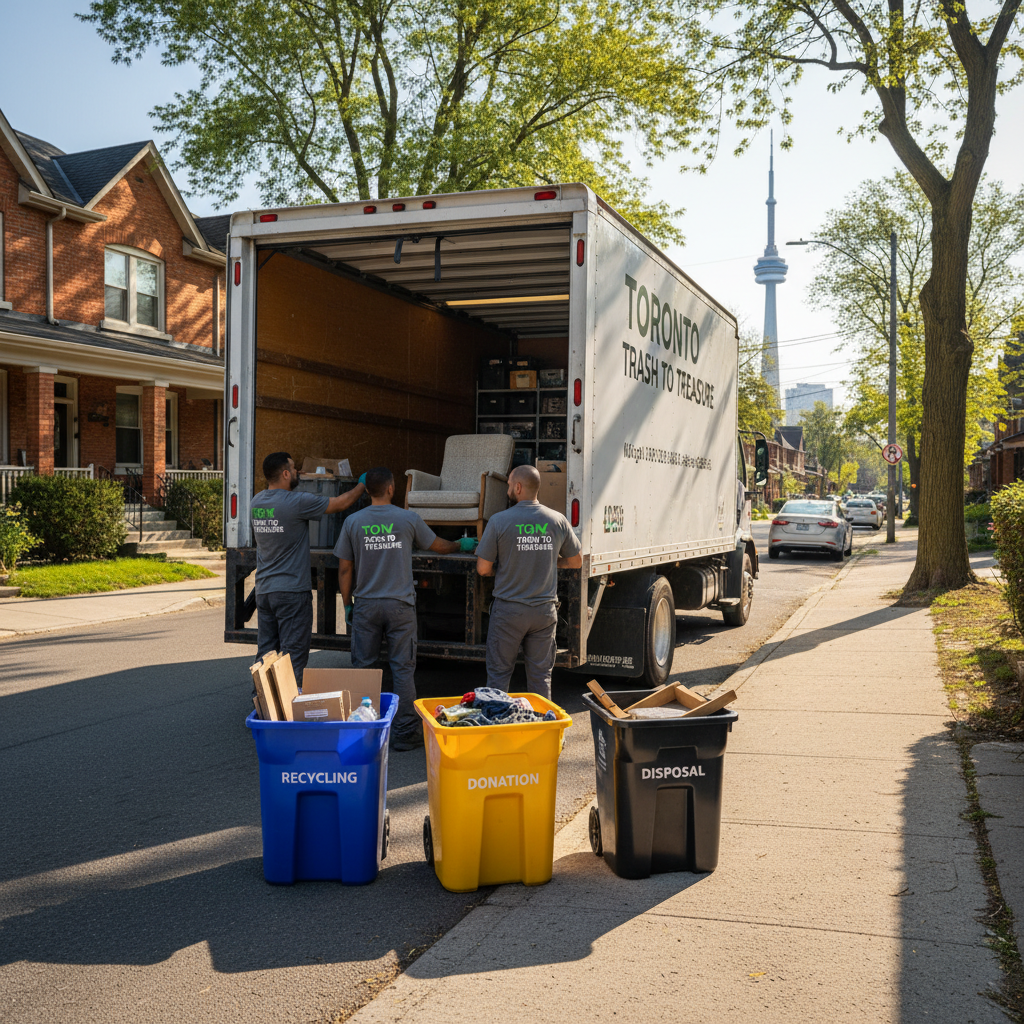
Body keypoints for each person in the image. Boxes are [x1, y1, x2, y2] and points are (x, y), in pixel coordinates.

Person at [336, 466, 477, 751]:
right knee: (402, 670)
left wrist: (347, 604)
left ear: (368, 491)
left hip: (366, 605)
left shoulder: (353, 522)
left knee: (364, 669)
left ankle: (365, 733)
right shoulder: (408, 519)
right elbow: (437, 545)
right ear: (391, 489)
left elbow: (344, 568)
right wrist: (460, 544)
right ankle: (404, 732)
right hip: (400, 606)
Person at [251, 452, 365, 687]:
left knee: (266, 653)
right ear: (284, 474)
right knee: (293, 655)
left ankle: (261, 703)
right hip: (292, 592)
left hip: (264, 591)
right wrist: (362, 485)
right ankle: (289, 711)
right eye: (293, 469)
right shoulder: (296, 502)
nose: (298, 473)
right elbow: (340, 503)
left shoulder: (257, 502)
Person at [476, 464, 582, 699]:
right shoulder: (558, 520)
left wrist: (506, 567)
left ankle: (496, 732)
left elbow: (483, 569)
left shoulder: (499, 521)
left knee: (498, 676)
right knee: (541, 676)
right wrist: (548, 562)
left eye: (509, 485)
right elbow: (575, 562)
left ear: (518, 487)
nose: (507, 489)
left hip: (509, 612)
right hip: (544, 613)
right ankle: (544, 732)